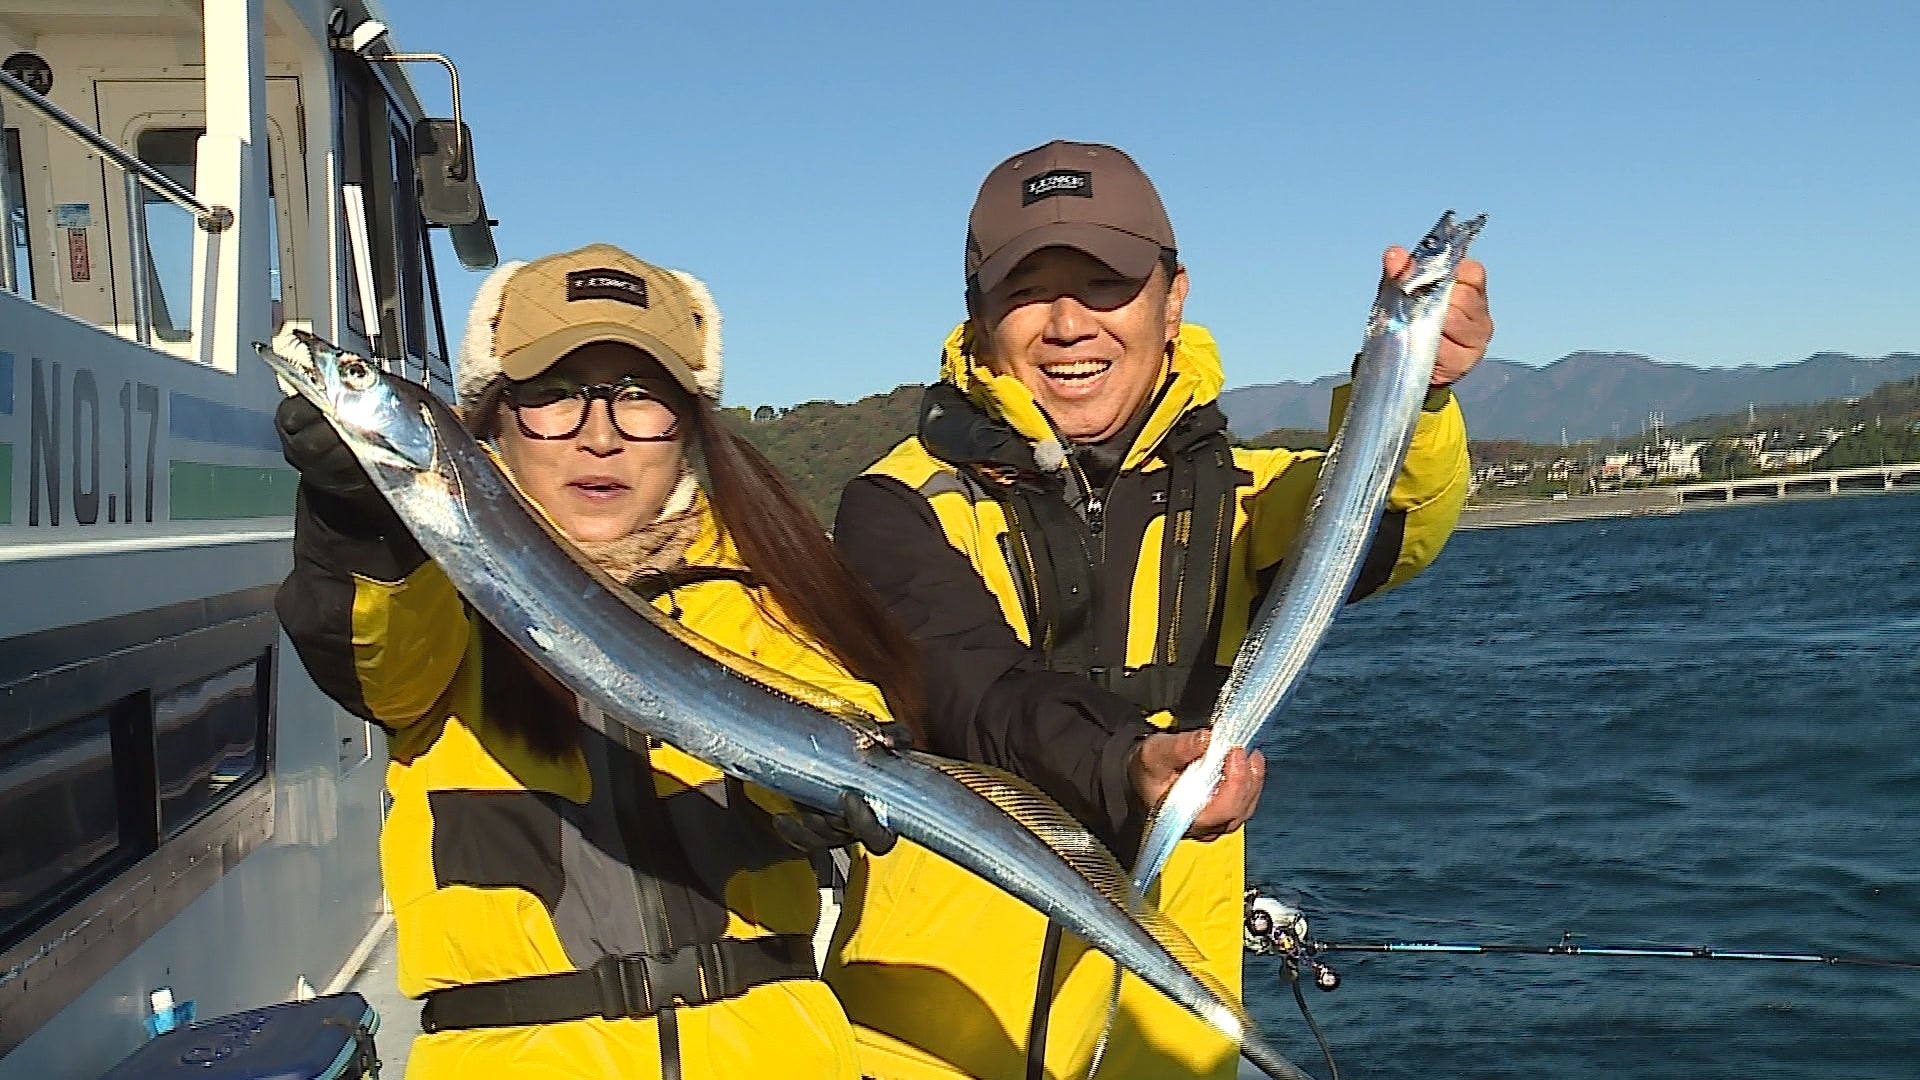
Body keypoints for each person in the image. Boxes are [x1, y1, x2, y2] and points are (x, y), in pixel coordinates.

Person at [824, 141, 1491, 1080]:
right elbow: (968, 691)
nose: (1066, 324)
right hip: (925, 1048)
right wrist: (1123, 767)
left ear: (1172, 297)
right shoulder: (896, 506)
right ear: (977, 318)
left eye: (1104, 284)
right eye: (1026, 289)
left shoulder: (1246, 500)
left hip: (1168, 1049)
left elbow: (1381, 531)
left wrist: (1415, 396)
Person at [274, 242, 915, 1079]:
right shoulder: (439, 591)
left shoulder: (762, 586)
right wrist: (357, 522)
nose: (600, 436)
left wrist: (817, 794)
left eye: (640, 397)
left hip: (774, 1050)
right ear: (493, 417)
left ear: (688, 424)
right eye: (553, 397)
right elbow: (374, 658)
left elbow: (838, 711)